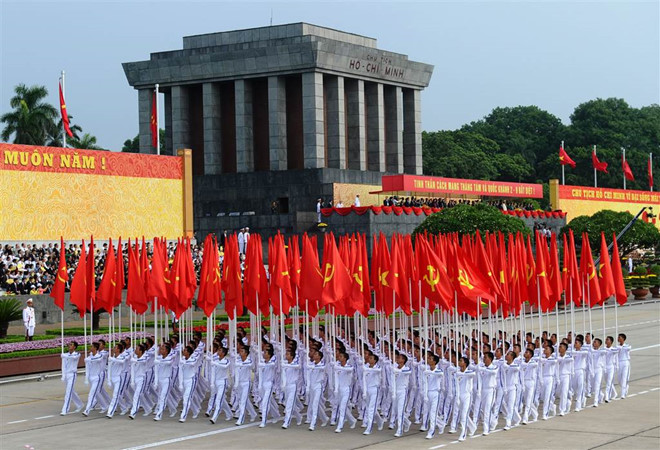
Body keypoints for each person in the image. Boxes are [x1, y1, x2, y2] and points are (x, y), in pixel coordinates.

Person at [332, 350, 356, 433]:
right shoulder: (337, 366)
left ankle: (340, 426)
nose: (339, 357)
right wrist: (336, 389)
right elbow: (336, 378)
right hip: (339, 389)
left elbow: (349, 370)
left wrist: (337, 368)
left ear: (345, 358)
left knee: (342, 408)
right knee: (343, 407)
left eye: (341, 356)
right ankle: (352, 420)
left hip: (346, 389)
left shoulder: (349, 366)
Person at [83, 342, 108, 416]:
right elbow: (87, 368)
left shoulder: (100, 356)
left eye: (92, 347)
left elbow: (97, 360)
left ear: (95, 348)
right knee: (97, 393)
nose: (90, 348)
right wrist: (86, 379)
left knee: (91, 394)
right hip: (91, 377)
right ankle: (105, 406)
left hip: (97, 377)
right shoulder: (90, 356)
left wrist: (88, 360)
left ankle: (87, 410)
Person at [153, 342, 176, 421]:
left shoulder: (169, 358)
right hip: (160, 379)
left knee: (163, 397)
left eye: (162, 349)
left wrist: (158, 362)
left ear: (166, 351)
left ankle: (159, 415)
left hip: (166, 380)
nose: (160, 350)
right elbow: (156, 370)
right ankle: (173, 409)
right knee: (163, 396)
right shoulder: (159, 358)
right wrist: (156, 381)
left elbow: (168, 362)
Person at [60, 341, 83, 415]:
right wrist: (63, 376)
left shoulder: (77, 354)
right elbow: (63, 366)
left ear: (75, 347)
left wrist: (64, 356)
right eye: (69, 344)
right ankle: (80, 404)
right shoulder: (65, 355)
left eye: (71, 345)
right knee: (71, 391)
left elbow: (74, 358)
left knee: (68, 392)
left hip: (72, 375)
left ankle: (65, 409)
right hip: (66, 375)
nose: (69, 346)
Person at [617, 333, 631, 398]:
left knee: (624, 378)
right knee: (619, 380)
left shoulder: (627, 345)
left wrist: (621, 347)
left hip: (625, 363)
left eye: (619, 337)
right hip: (619, 363)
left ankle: (623, 394)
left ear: (623, 339)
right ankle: (626, 386)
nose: (618, 338)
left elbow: (628, 348)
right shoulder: (617, 346)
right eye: (618, 337)